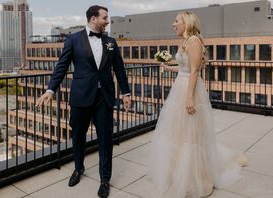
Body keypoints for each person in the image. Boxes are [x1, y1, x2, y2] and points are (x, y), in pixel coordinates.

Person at [147, 11, 247, 198]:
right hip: (181, 87)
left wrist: (190, 97)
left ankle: (195, 177)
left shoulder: (194, 42)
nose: (173, 24)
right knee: (179, 133)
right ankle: (177, 173)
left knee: (191, 136)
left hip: (189, 90)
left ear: (187, 23)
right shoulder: (186, 42)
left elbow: (194, 72)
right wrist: (169, 67)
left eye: (176, 21)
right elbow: (185, 69)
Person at [36, 5, 131, 198]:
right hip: (80, 97)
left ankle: (105, 179)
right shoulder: (73, 40)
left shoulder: (111, 42)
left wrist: (126, 93)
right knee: (78, 136)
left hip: (104, 97)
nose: (108, 21)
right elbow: (61, 66)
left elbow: (119, 69)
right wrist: (50, 89)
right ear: (93, 19)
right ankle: (78, 169)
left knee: (105, 139)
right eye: (105, 17)